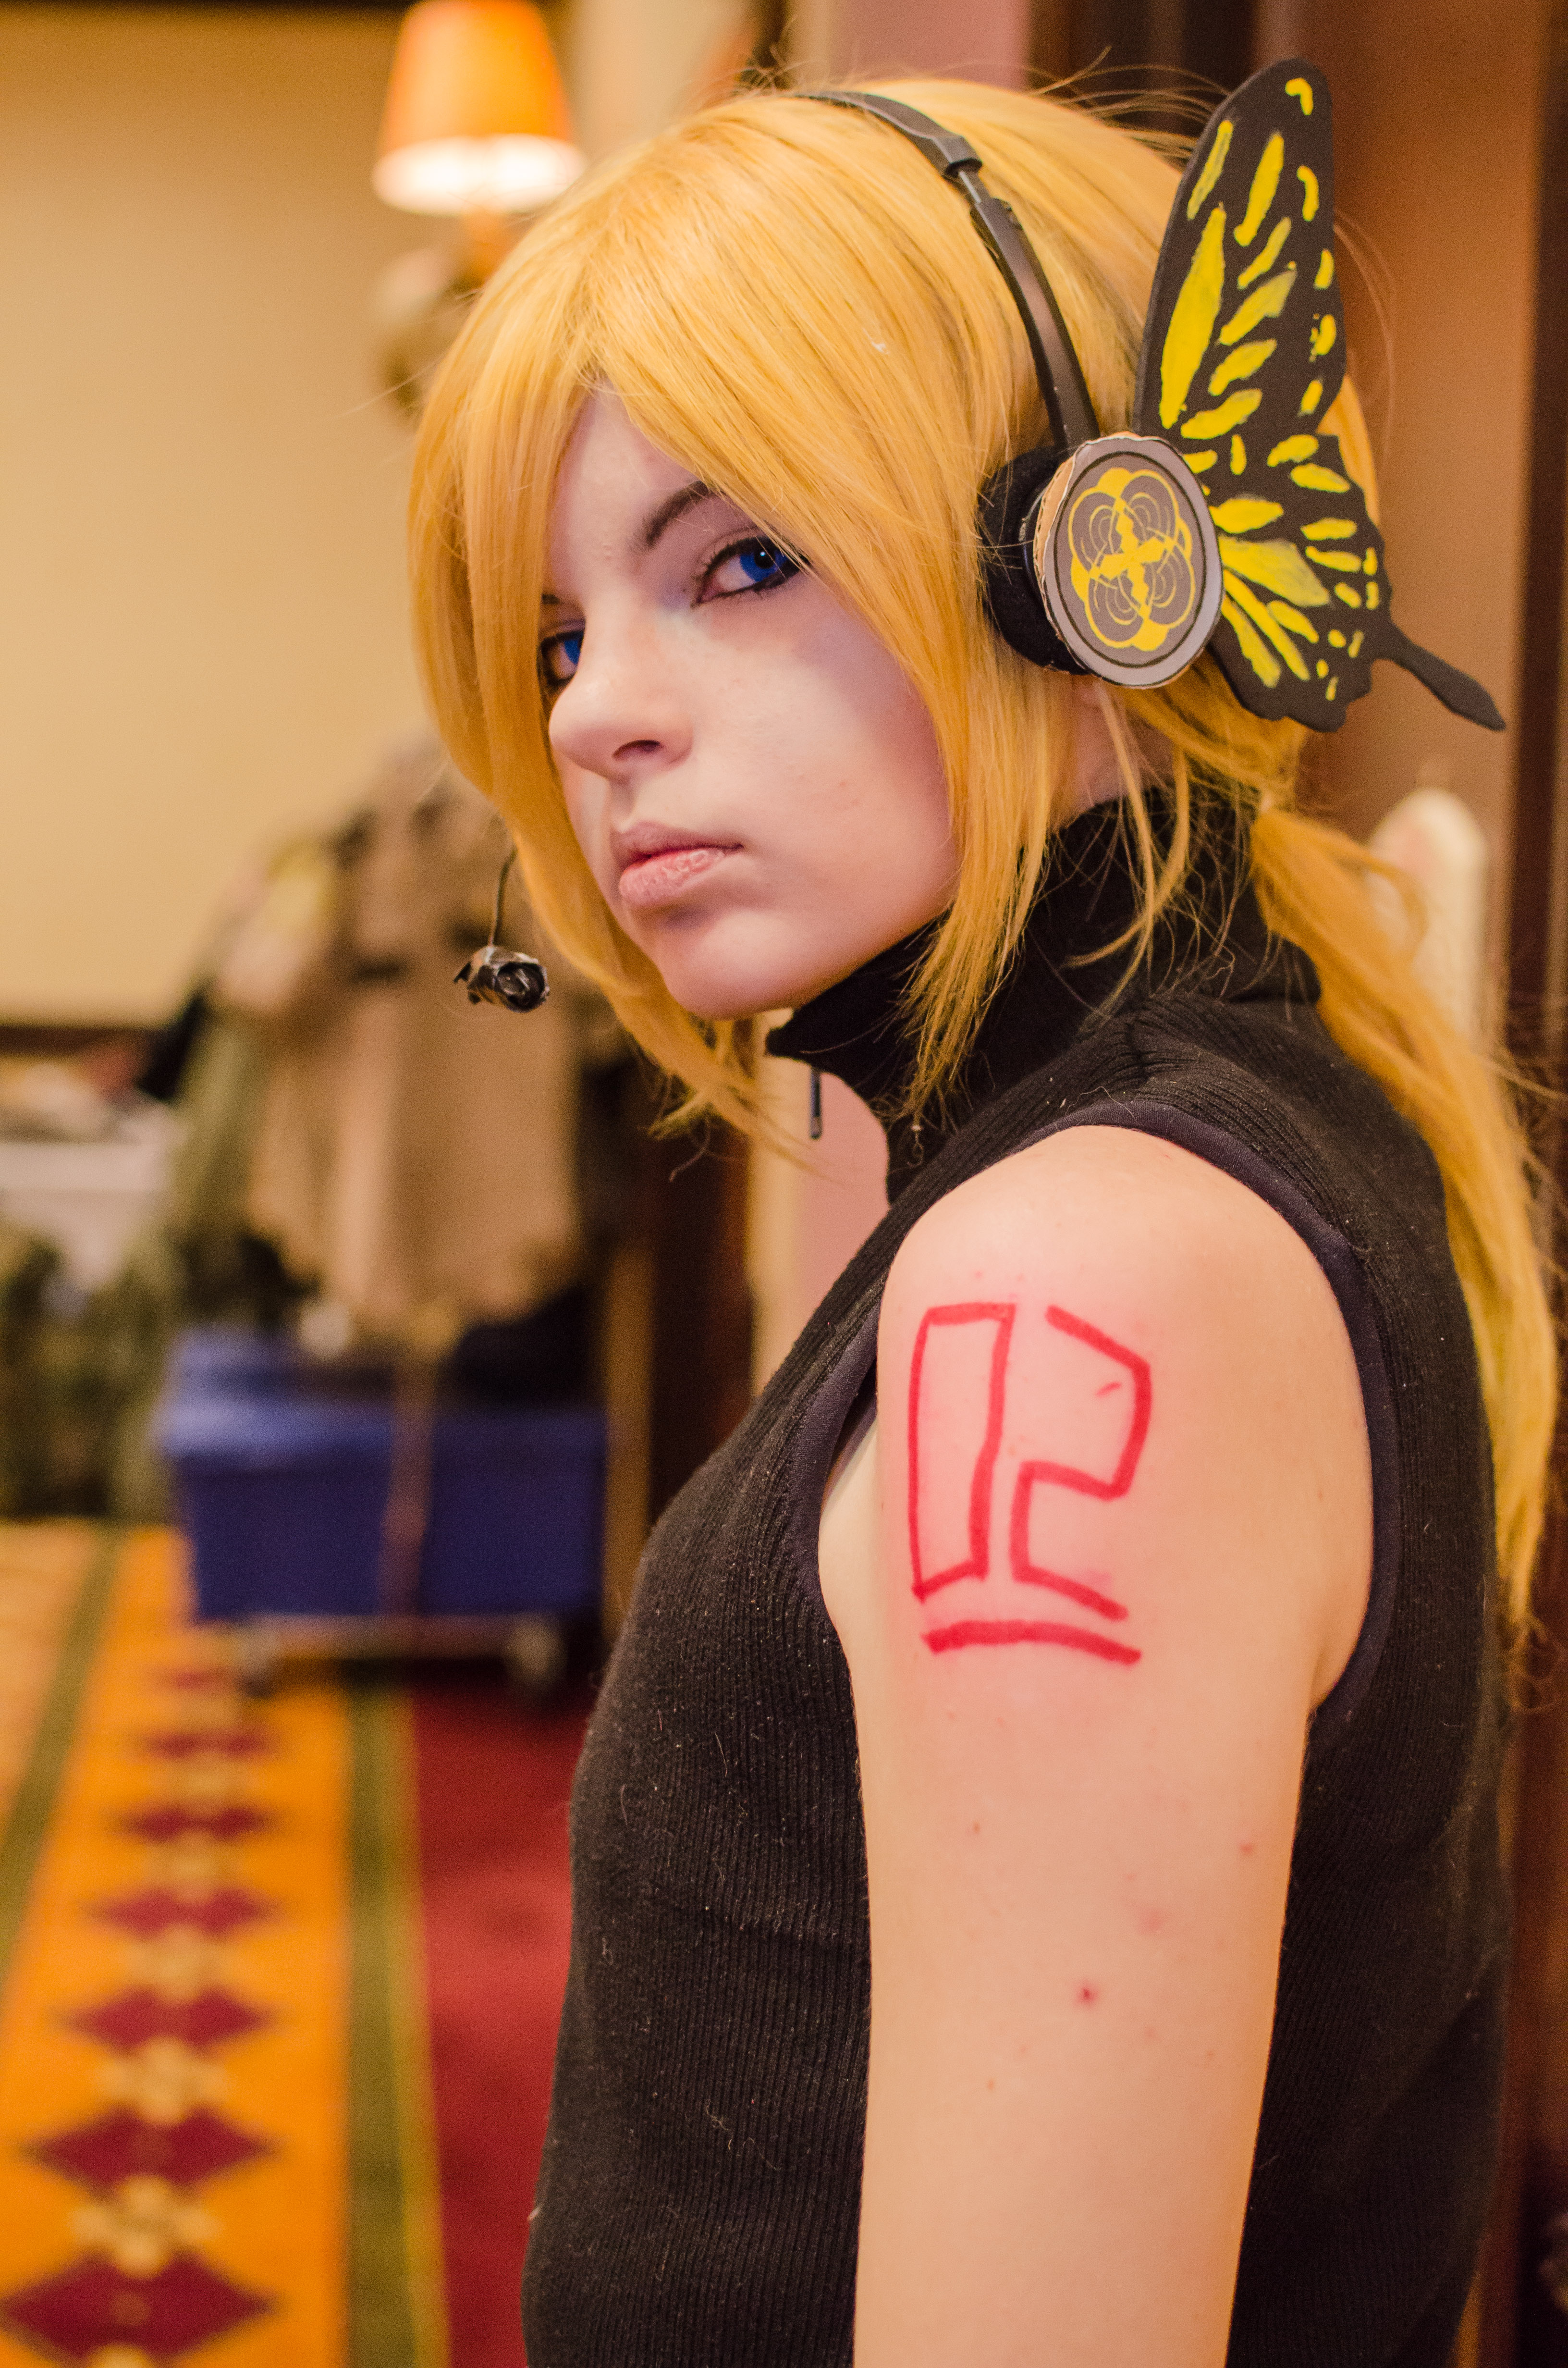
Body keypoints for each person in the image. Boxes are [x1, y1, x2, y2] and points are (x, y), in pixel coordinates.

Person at [408, 57, 1554, 2368]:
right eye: (556, 636)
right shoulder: (1218, 1140)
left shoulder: (1088, 1258)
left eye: (737, 560)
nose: (599, 714)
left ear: (1100, 553)